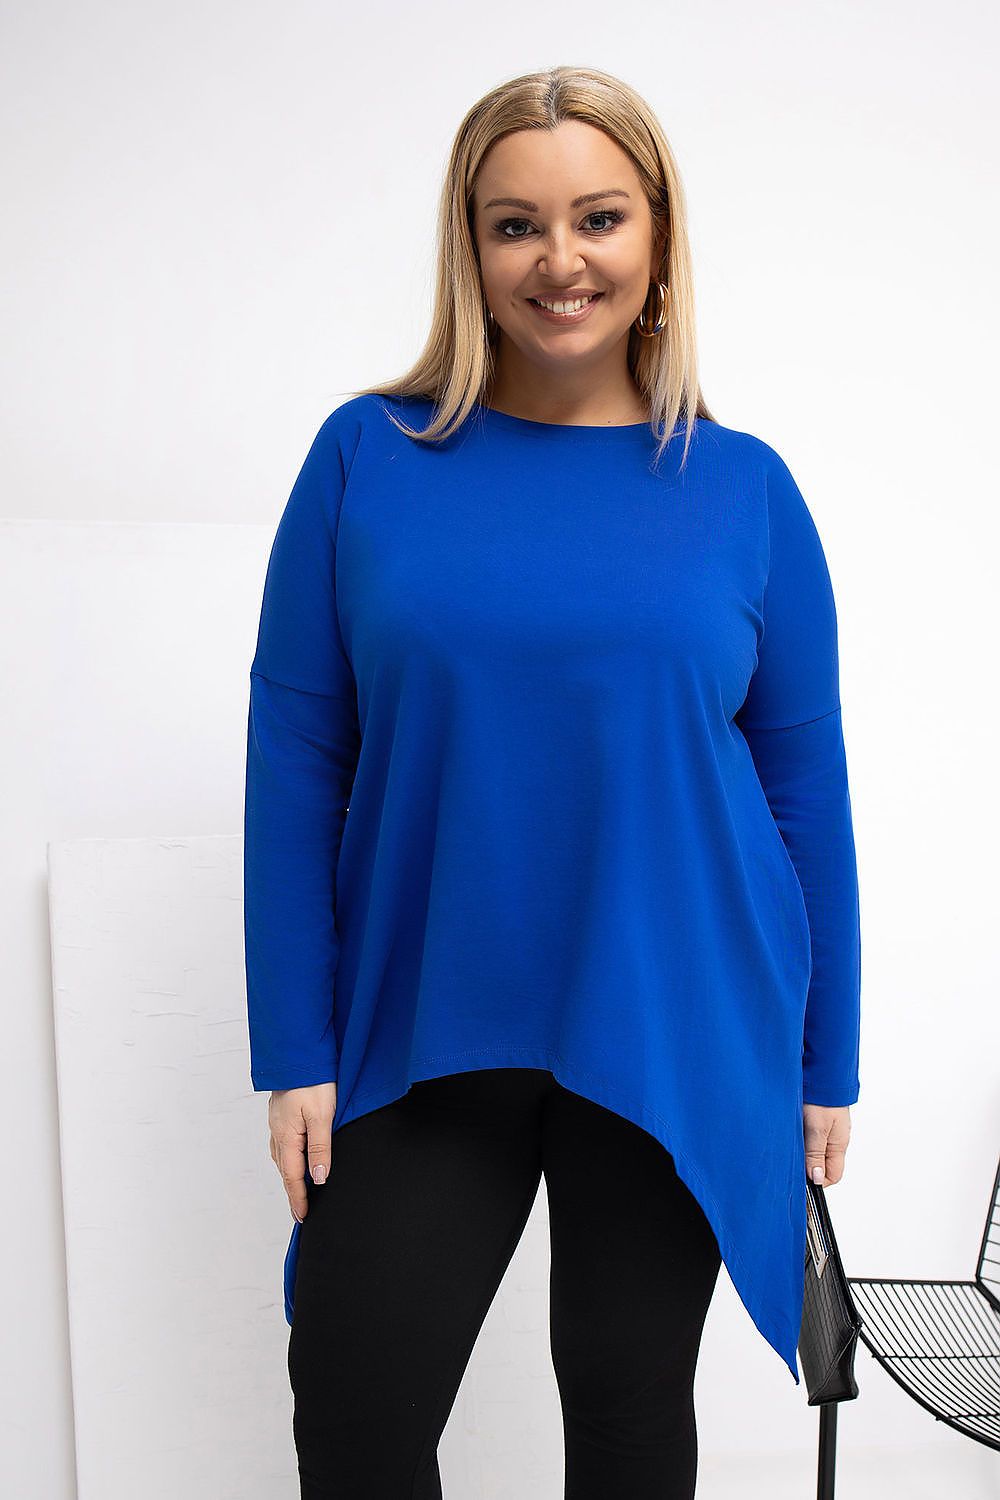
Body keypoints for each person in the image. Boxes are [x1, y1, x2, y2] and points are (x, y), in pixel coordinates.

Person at [243, 64, 861, 1500]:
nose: (559, 259)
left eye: (598, 217)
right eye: (515, 224)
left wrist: (825, 1058)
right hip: (422, 1013)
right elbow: (298, 758)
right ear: (469, 248)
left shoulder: (745, 488)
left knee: (630, 1414)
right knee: (357, 1410)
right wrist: (294, 1045)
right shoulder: (368, 457)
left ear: (657, 238)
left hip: (676, 1011)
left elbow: (804, 789)